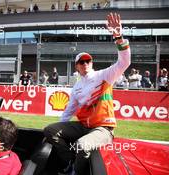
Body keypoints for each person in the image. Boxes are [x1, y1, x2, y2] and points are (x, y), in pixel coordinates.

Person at [44, 13, 130, 175]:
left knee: (81, 145)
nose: (85, 63)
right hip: (83, 127)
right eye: (81, 62)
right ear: (76, 66)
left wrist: (118, 36)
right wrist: (58, 127)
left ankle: (75, 172)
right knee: (49, 130)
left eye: (87, 61)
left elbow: (124, 62)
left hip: (103, 129)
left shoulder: (104, 75)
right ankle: (70, 163)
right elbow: (68, 112)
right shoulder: (76, 87)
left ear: (92, 63)